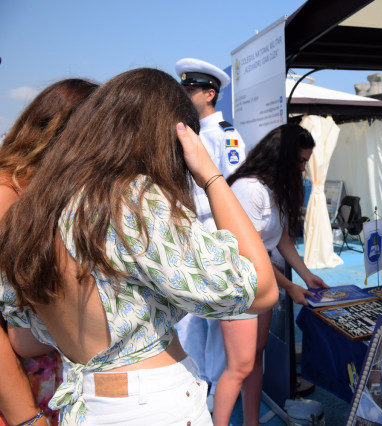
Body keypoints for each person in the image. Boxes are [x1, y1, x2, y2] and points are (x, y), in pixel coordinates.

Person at [0, 68, 277, 424]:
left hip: (90, 404)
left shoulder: (32, 209)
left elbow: (25, 339)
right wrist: (210, 176)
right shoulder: (128, 200)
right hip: (152, 403)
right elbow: (261, 289)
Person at [0, 78, 98, 426]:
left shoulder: (47, 194)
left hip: (50, 383)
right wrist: (26, 416)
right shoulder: (6, 196)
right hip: (19, 394)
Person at [218, 123, 329, 426]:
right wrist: (290, 286)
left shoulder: (273, 187)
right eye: (301, 161)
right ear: (283, 156)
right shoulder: (248, 189)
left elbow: (280, 238)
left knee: (256, 358)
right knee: (238, 367)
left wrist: (306, 276)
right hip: (239, 286)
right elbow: (252, 253)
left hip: (261, 282)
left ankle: (250, 422)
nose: (303, 168)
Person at [174, 58, 247, 404]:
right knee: (189, 312)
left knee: (219, 314)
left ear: (210, 94)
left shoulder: (225, 135)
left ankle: (217, 387)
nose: (185, 95)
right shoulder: (185, 131)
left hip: (213, 227)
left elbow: (234, 187)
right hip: (188, 229)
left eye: (191, 90)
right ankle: (194, 380)